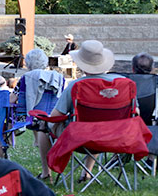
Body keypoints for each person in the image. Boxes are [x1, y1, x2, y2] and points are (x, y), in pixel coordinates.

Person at [49, 40, 127, 181]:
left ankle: (46, 173)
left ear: (82, 65)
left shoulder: (76, 85)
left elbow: (56, 115)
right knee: (98, 123)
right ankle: (87, 172)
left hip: (80, 139)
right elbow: (136, 113)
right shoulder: (124, 83)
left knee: (44, 126)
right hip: (116, 137)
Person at [16, 48, 64, 182]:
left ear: (28, 64)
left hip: (34, 118)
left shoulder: (26, 78)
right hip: (56, 119)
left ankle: (46, 172)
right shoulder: (59, 77)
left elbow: (12, 99)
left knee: (42, 125)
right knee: (45, 121)